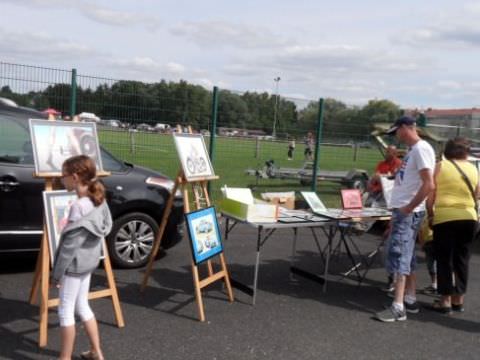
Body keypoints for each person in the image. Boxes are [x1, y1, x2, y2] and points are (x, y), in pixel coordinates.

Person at [375, 116, 435, 322]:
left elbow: (429, 184)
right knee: (407, 255)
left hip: (408, 212)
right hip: (404, 211)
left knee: (400, 255)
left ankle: (398, 306)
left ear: (404, 128)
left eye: (396, 132)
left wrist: (408, 208)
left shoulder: (421, 149)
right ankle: (409, 298)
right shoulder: (414, 151)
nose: (396, 137)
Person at [52, 155, 112, 360]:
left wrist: (56, 274)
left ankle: (65, 358)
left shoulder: (79, 206)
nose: (62, 180)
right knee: (82, 305)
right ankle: (97, 352)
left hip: (74, 266)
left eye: (64, 176)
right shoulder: (99, 199)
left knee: (65, 311)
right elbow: (106, 225)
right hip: (88, 263)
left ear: (75, 177)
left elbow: (69, 247)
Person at [426, 137, 478, 314]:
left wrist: (431, 215)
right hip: (469, 217)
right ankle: (459, 300)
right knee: (462, 259)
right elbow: (477, 194)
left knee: (445, 259)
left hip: (446, 217)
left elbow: (431, 193)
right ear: (466, 152)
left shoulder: (441, 166)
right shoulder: (474, 168)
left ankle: (445, 301)